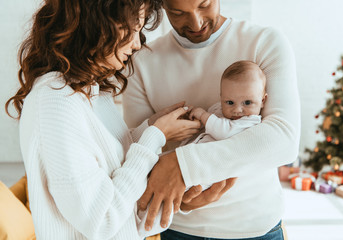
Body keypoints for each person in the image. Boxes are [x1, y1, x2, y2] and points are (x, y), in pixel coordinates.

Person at [4, 0, 209, 239]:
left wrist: (149, 130)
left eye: (139, 31)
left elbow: (113, 184)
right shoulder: (55, 101)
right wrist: (154, 137)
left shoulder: (89, 91)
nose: (136, 44)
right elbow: (100, 222)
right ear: (97, 24)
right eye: (131, 29)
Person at [123, 0, 301, 239]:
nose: (196, 22)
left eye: (204, 4)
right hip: (176, 228)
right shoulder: (141, 62)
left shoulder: (265, 42)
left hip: (255, 228)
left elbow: (283, 140)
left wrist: (182, 165)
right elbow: (134, 153)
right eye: (177, 13)